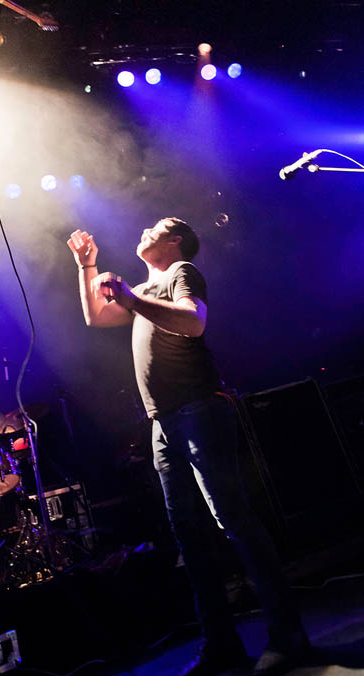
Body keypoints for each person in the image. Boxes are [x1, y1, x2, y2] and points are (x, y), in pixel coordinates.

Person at [67, 219, 310, 676]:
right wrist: (88, 266)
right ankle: (221, 645)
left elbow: (195, 323)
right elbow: (96, 317)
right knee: (190, 539)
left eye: (156, 227)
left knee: (232, 520)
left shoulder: (180, 271)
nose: (143, 229)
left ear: (176, 240)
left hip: (199, 411)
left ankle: (289, 635)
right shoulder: (142, 287)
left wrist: (133, 297)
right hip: (163, 424)